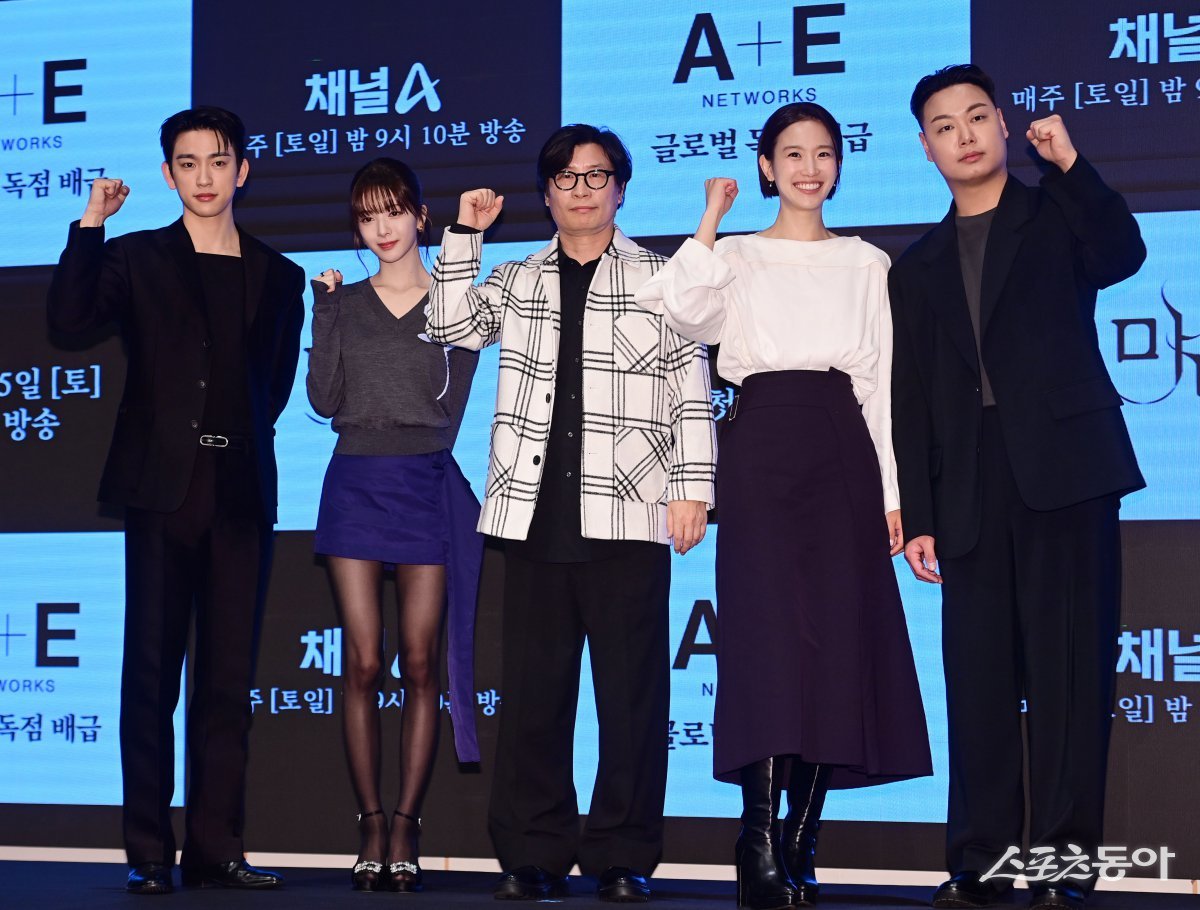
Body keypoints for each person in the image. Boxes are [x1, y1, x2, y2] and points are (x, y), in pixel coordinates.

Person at [635, 101, 933, 910]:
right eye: (792, 154)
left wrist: (896, 498)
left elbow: (881, 390)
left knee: (838, 647)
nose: (809, 167)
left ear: (839, 164)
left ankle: (802, 843)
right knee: (769, 647)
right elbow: (678, 310)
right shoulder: (733, 255)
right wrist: (709, 218)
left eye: (824, 153)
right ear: (767, 166)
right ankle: (757, 843)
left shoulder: (868, 263)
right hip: (763, 446)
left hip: (844, 451)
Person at [426, 124, 717, 903]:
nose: (581, 189)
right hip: (531, 514)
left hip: (630, 512)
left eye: (596, 176)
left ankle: (623, 855)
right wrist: (463, 237)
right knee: (532, 697)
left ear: (620, 188)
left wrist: (694, 486)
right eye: (565, 177)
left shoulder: (660, 277)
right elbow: (451, 326)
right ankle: (532, 852)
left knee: (632, 698)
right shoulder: (518, 277)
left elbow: (690, 390)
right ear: (546, 192)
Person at [889, 65, 1145, 910]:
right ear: (925, 148)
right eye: (942, 125)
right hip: (967, 484)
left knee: (1072, 677)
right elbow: (913, 395)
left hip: (1067, 472)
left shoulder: (1056, 213)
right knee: (979, 680)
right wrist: (919, 513)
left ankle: (1065, 868)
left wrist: (1070, 165)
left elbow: (1122, 254)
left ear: (1002, 127)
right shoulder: (915, 265)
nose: (963, 134)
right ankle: (980, 862)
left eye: (975, 117)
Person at [46, 107, 304, 894]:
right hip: (162, 489)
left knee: (228, 679)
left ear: (242, 171)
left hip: (241, 491)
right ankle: (149, 851)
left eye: (218, 162)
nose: (203, 177)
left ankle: (218, 847)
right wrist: (90, 223)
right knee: (152, 675)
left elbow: (276, 389)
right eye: (187, 164)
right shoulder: (134, 258)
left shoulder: (280, 275)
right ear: (167, 175)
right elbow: (66, 322)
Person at [306, 157, 482, 893]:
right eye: (367, 215)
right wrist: (323, 311)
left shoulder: (457, 304)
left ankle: (407, 825)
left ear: (420, 216)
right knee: (364, 663)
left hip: (424, 484)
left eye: (393, 211)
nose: (381, 227)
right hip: (355, 483)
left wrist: (469, 243)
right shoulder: (344, 305)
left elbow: (453, 406)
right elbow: (322, 400)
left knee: (419, 664)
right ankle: (369, 821)